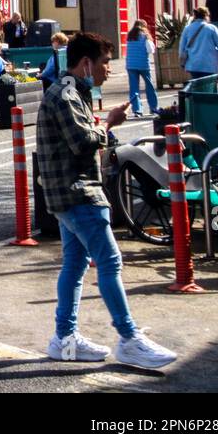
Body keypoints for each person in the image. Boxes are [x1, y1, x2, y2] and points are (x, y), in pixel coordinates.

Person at [38, 32, 177, 368]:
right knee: (110, 262)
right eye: (103, 63)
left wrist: (102, 124)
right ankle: (129, 339)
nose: (107, 71)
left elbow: (79, 137)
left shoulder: (68, 91)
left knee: (74, 264)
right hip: (79, 192)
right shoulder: (68, 93)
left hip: (66, 192)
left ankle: (65, 340)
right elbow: (82, 142)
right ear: (85, 63)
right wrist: (109, 124)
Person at [177, 7, 218, 80]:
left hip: (193, 65)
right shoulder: (212, 28)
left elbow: (182, 48)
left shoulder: (187, 28)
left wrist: (182, 63)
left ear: (195, 16)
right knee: (210, 88)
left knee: (197, 87)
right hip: (210, 65)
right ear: (206, 16)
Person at [123, 20, 160, 117]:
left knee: (134, 88)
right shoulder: (145, 36)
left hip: (131, 65)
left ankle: (137, 110)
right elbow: (151, 50)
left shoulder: (129, 37)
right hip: (143, 64)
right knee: (149, 86)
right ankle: (153, 107)